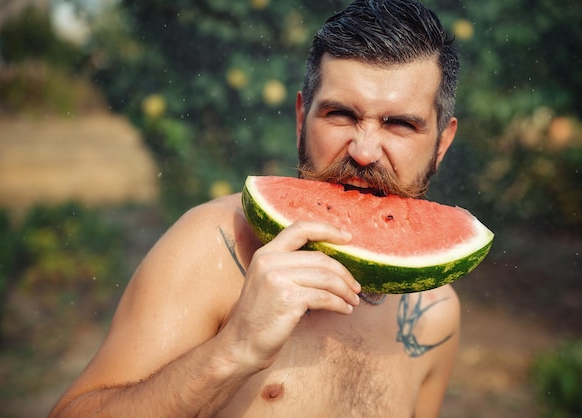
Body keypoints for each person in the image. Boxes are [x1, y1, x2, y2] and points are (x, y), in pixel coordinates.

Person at [50, 0, 461, 416]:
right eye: (340, 114)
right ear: (302, 119)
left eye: (400, 124)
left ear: (442, 144)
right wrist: (234, 350)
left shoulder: (435, 313)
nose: (365, 151)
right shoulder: (210, 247)